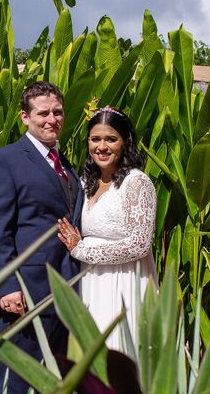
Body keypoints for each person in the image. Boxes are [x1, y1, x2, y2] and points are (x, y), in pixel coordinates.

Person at [0, 81, 83, 393]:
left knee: (54, 382)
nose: (52, 119)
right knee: (20, 381)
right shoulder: (6, 160)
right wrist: (7, 287)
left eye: (58, 112)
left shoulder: (66, 165)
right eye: (43, 113)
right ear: (25, 117)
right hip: (25, 294)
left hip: (64, 292)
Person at [57, 106, 158, 352]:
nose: (102, 147)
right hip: (90, 282)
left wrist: (82, 251)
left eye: (111, 139)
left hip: (124, 283)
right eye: (95, 139)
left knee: (120, 354)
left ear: (125, 142)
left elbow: (140, 243)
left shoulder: (137, 182)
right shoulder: (85, 182)